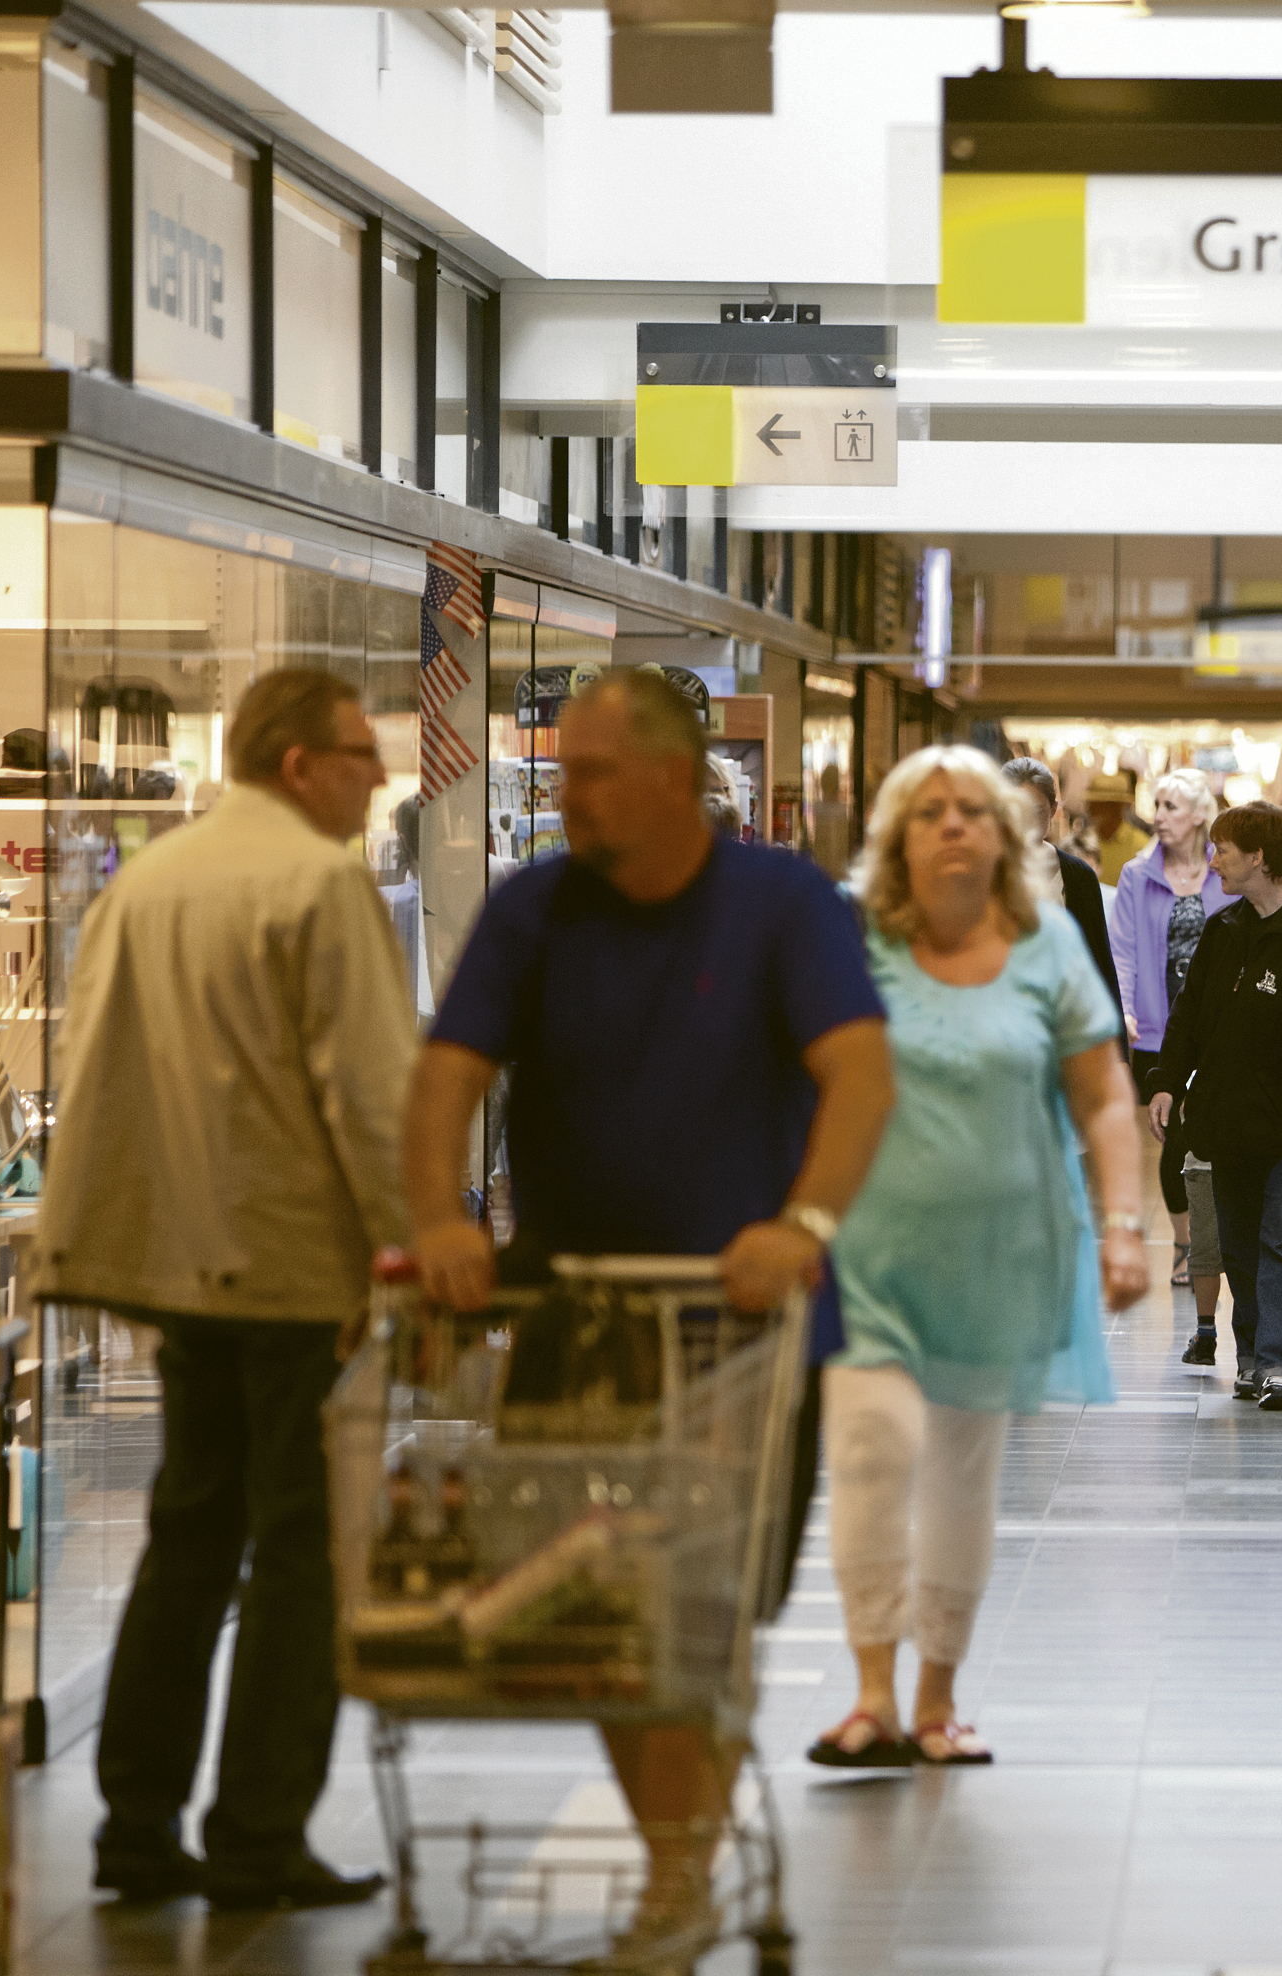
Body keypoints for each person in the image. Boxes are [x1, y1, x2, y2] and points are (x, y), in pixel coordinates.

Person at [403, 670, 896, 1960]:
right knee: (597, 1613)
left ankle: (677, 1871)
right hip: (581, 1317)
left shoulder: (784, 905)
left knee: (707, 1609)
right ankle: (681, 1869)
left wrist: (803, 1226)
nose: (565, 795)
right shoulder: (535, 910)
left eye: (589, 772)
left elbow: (858, 1077)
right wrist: (444, 1221)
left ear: (673, 779)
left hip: (748, 1331)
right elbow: (445, 1075)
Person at [37, 668, 410, 1910]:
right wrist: (406, 1250)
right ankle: (258, 1827)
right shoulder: (318, 880)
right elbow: (366, 1095)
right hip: (294, 1265)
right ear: (301, 762)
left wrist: (93, 1248)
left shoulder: (151, 879)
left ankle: (134, 1825)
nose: (379, 774)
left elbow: (96, 1070)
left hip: (176, 1263)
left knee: (188, 1536)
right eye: (362, 752)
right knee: (300, 1552)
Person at [815, 748, 1149, 1766]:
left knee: (962, 1471)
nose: (953, 824)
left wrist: (1126, 1221)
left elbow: (1103, 1095)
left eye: (973, 810)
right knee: (870, 1450)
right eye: (929, 812)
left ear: (1007, 833)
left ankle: (936, 1696)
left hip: (1001, 1249)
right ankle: (870, 1688)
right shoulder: (853, 937)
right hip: (866, 1244)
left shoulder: (1046, 941)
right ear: (895, 836)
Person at [1147, 802, 1282, 1408]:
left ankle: (1278, 1364)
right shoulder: (1225, 929)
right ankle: (1251, 1357)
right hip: (1231, 1118)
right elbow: (1190, 1018)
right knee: (1240, 1243)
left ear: (1260, 856)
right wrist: (1165, 1081)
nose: (1214, 860)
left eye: (1223, 849)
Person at [1109, 768, 1241, 1322]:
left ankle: (1219, 1240)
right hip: (1159, 1030)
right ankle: (1190, 1243)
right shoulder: (1138, 875)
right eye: (1156, 805)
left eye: (1169, 806)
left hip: (1220, 1030)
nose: (1158, 815)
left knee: (1210, 1133)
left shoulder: (1223, 872)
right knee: (1173, 1136)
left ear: (1198, 815)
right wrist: (1124, 1008)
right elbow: (1123, 947)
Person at [1006, 756, 1124, 1040]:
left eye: (1034, 811)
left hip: (1062, 1021)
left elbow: (1099, 960)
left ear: (1054, 809)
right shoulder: (981, 871)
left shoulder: (1077, 876)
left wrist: (1115, 1046)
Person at [1085, 769, 1148, 885]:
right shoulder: (1081, 844)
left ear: (1115, 807)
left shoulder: (1141, 848)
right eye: (1090, 803)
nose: (1089, 809)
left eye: (1097, 804)